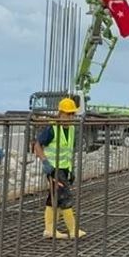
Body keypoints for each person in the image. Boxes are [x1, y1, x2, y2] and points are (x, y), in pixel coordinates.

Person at [31, 97, 86, 239]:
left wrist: (71, 169)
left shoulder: (72, 129)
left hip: (64, 169)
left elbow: (68, 151)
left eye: (72, 114)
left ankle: (49, 230)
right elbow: (37, 145)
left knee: (53, 199)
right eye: (68, 114)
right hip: (53, 169)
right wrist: (45, 162)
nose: (70, 117)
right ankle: (73, 230)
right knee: (65, 198)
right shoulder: (52, 128)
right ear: (60, 113)